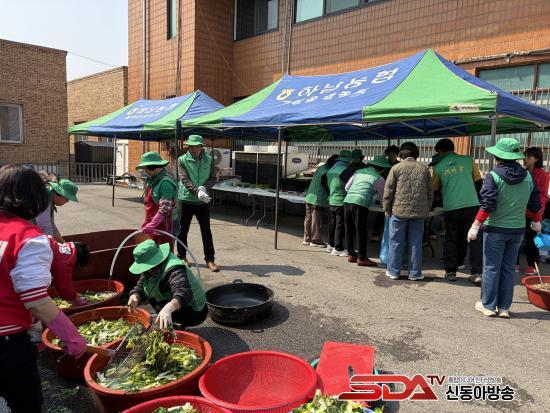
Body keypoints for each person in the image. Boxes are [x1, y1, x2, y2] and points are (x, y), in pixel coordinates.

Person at [0, 165, 86, 412]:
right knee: (26, 404)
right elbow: (36, 300)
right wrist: (71, 335)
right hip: (6, 341)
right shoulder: (28, 238)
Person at [467, 138, 541, 318]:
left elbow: (487, 204)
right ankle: (504, 308)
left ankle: (488, 305)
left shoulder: (493, 176)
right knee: (508, 269)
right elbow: (535, 203)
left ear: (497, 156)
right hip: (517, 230)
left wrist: (475, 225)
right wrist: (537, 221)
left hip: (495, 229)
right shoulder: (528, 176)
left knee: (491, 267)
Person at [432, 138, 484, 283]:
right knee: (473, 237)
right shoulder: (468, 160)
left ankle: (450, 271)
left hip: (451, 206)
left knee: (451, 237)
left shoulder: (438, 167)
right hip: (471, 204)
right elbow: (478, 181)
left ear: (440, 151)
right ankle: (477, 272)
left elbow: (434, 189)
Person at [127, 239, 207, 328]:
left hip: (195, 309)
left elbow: (184, 292)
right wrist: (135, 295)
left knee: (161, 307)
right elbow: (141, 284)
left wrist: (168, 308)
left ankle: (177, 326)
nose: (145, 270)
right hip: (180, 302)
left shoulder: (174, 268)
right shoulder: (151, 269)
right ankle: (173, 323)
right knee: (155, 299)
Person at [383, 142, 433, 280]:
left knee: (395, 241)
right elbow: (430, 192)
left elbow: (388, 191)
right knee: (416, 242)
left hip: (398, 211)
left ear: (401, 154)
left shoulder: (396, 168)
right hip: (419, 212)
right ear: (416, 154)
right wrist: (427, 209)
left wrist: (386, 209)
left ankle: (393, 272)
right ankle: (415, 273)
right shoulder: (424, 169)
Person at [177, 135, 219, 272]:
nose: (195, 149)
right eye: (192, 146)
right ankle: (182, 256)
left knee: (206, 231)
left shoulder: (209, 159)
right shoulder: (182, 160)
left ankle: (210, 259)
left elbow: (213, 178)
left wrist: (204, 188)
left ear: (201, 147)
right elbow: (185, 179)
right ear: (188, 147)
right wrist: (197, 192)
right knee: (183, 230)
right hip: (186, 200)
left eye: (197, 146)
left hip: (202, 201)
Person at [344, 155, 390, 266]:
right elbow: (383, 196)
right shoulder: (379, 178)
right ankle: (362, 258)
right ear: (382, 169)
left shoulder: (358, 172)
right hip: (360, 203)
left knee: (349, 229)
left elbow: (347, 187)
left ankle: (351, 254)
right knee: (361, 231)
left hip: (348, 201)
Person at [518, 147, 549, 275]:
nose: (525, 159)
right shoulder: (523, 172)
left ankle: (533, 265)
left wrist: (538, 212)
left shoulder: (542, 174)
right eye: (524, 156)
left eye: (528, 156)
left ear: (536, 159)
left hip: (533, 212)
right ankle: (514, 263)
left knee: (531, 239)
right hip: (520, 210)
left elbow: (542, 196)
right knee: (517, 237)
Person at [136, 152, 177, 246]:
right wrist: (147, 223)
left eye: (148, 168)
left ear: (157, 167)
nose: (146, 171)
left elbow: (164, 209)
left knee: (163, 251)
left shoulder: (165, 183)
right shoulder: (152, 181)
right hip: (154, 225)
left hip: (163, 227)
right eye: (145, 168)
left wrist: (152, 224)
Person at [303, 154, 338, 247]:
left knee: (308, 218)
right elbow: (327, 185)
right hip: (318, 198)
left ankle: (307, 239)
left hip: (310, 196)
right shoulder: (327, 171)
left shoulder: (321, 168)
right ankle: (315, 240)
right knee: (316, 219)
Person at [48, 237, 91, 307]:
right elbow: (64, 285)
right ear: (78, 262)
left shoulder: (63, 250)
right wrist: (75, 298)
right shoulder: (65, 260)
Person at [326, 150, 352, 256]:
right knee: (340, 225)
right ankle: (338, 248)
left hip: (332, 199)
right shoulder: (345, 170)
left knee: (332, 224)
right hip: (341, 200)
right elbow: (349, 185)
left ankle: (331, 245)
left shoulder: (331, 169)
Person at [36, 178, 79, 243]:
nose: (67, 201)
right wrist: (54, 245)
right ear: (59, 193)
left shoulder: (50, 198)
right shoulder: (45, 199)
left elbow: (52, 226)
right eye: (67, 198)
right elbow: (45, 227)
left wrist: (63, 243)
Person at [371, 145, 400, 242]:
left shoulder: (399, 165)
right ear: (387, 155)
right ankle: (376, 233)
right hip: (384, 190)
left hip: (396, 192)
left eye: (394, 154)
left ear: (397, 155)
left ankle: (391, 236)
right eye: (390, 154)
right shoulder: (383, 164)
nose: (392, 156)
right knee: (381, 213)